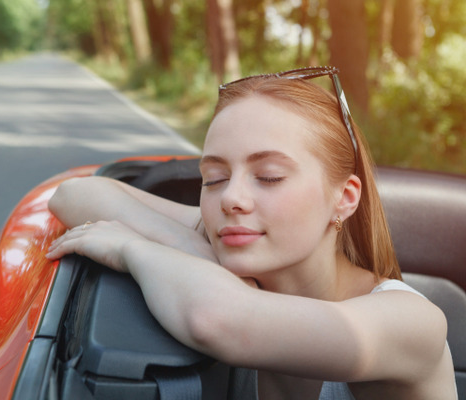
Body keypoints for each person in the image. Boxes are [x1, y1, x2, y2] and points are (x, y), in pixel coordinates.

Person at [46, 66, 457, 399]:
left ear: (344, 198)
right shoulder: (227, 227)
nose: (231, 198)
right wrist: (193, 242)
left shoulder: (412, 323)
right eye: (213, 178)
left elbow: (219, 320)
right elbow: (76, 194)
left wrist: (132, 250)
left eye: (269, 176)